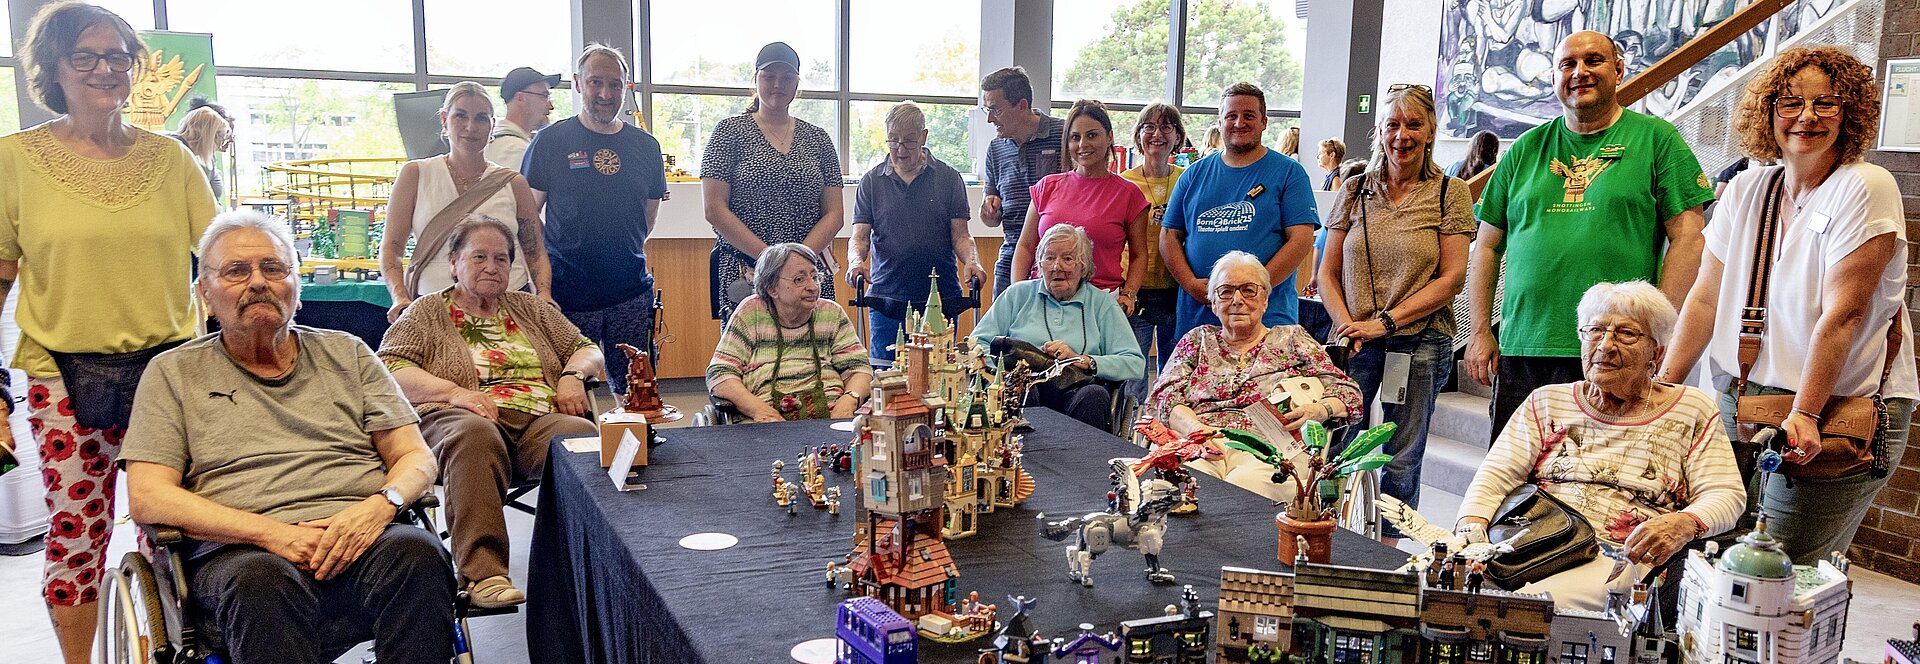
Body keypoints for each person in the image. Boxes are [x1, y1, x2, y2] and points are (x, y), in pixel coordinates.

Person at [123, 211, 455, 664]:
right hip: (241, 552)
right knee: (261, 581)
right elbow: (148, 496)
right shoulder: (172, 373)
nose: (258, 282)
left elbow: (415, 457)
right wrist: (271, 535)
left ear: (297, 290)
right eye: (236, 271)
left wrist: (379, 507)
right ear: (205, 295)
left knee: (418, 554)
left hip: (360, 534)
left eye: (273, 268)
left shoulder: (349, 353)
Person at [3, 5, 216, 660]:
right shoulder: (13, 161)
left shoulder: (172, 159)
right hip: (63, 376)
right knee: (77, 541)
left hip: (170, 375)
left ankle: (186, 648)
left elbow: (219, 260)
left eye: (118, 56)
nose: (105, 69)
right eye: (85, 56)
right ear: (53, 67)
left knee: (178, 532)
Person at [1659, 47, 1914, 564]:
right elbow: (1705, 297)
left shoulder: (1866, 186)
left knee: (1776, 568)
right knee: (1711, 555)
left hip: (1835, 408)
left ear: (1851, 112)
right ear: (1767, 111)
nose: (1807, 117)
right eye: (1791, 102)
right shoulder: (1747, 188)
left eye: (1826, 103)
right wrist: (1664, 390)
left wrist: (1805, 411)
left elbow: (1844, 315)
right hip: (1741, 395)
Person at [1465, 31, 1714, 442]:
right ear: (1554, 78)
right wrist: (1479, 331)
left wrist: (1662, 330)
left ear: (1619, 70)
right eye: (1568, 64)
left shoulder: (1656, 140)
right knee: (1515, 475)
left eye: (1593, 60)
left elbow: (1689, 236)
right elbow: (1487, 246)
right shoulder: (1525, 149)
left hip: (1617, 349)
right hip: (1526, 346)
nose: (1580, 72)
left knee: (1608, 474)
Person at [1458, 281, 1744, 611]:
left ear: (1656, 353)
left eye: (1626, 334)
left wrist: (1683, 523)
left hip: (1618, 553)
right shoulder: (1547, 401)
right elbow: (1495, 476)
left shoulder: (1691, 409)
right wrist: (1471, 531)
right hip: (1533, 540)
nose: (1606, 345)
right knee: (1441, 583)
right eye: (1595, 331)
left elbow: (1726, 494)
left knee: (1526, 608)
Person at [379, 217, 603, 606]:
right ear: (454, 263)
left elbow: (586, 347)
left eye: (501, 259)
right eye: (479, 257)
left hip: (536, 421)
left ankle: (588, 566)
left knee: (579, 437)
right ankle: (483, 575)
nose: (491, 267)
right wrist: (454, 392)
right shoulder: (425, 311)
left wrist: (572, 376)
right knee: (475, 435)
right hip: (457, 418)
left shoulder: (531, 308)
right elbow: (389, 368)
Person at [1317, 84, 1473, 532]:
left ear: (1430, 132)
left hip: (1420, 342)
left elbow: (1451, 280)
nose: (1402, 135)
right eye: (1392, 125)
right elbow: (1327, 273)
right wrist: (1348, 327)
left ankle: (1388, 552)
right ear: (1379, 132)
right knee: (1335, 446)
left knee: (1402, 457)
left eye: (1413, 125)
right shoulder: (1354, 190)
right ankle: (1325, 536)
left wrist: (1382, 324)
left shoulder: (1450, 192)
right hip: (1354, 342)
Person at [1146, 251, 1362, 503]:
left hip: (1271, 446)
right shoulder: (1197, 340)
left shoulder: (1292, 338)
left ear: (1265, 300)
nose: (1237, 300)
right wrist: (1195, 429)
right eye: (1225, 291)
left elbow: (1348, 392)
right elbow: (1163, 397)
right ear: (1213, 303)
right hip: (1200, 439)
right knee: (1186, 482)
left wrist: (1319, 410)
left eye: (1249, 290)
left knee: (1245, 491)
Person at [523, 44, 668, 394]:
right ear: (578, 83)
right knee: (569, 393)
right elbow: (527, 217)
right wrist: (544, 279)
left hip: (630, 292)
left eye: (615, 84)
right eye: (595, 82)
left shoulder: (646, 146)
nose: (605, 93)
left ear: (626, 88)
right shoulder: (550, 141)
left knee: (636, 393)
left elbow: (647, 220)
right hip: (567, 294)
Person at [1160, 82, 1320, 340]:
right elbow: (1169, 236)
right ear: (1220, 122)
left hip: (1268, 319)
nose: (1239, 123)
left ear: (1264, 122)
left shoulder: (1289, 173)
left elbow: (1300, 240)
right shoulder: (1193, 175)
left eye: (1249, 116)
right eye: (1231, 116)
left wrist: (1253, 289)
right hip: (1199, 318)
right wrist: (1191, 284)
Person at [381, 81, 551, 323]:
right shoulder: (415, 175)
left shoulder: (514, 184)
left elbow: (534, 252)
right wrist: (399, 296)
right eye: (460, 116)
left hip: (507, 309)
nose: (470, 127)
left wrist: (544, 294)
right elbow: (392, 247)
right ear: (444, 119)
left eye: (481, 118)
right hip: (434, 310)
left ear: (492, 125)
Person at [704, 41, 844, 321]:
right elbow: (714, 209)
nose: (778, 84)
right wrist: (772, 262)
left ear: (797, 83)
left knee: (814, 347)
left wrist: (797, 262)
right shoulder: (728, 132)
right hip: (747, 271)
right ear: (755, 78)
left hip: (807, 276)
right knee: (750, 347)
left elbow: (835, 214)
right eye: (769, 76)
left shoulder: (818, 138)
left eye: (787, 77)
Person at [847, 101, 984, 363]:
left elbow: (961, 236)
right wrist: (855, 262)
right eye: (893, 140)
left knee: (939, 372)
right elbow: (860, 237)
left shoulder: (949, 178)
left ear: (923, 137)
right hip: (886, 299)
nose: (900, 149)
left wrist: (973, 261)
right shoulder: (871, 181)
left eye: (909, 141)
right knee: (886, 374)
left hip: (941, 297)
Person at [972, 225, 1144, 431]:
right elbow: (977, 345)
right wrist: (1005, 371)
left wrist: (1083, 360)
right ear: (1039, 263)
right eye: (1049, 258)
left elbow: (1134, 363)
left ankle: (1085, 453)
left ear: (1083, 266)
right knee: (1018, 391)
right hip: (1025, 387)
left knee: (1094, 396)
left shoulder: (1102, 304)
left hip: (1077, 390)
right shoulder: (1016, 295)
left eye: (1068, 259)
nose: (1056, 266)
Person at [709, 243, 873, 422]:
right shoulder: (751, 312)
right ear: (772, 288)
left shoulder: (831, 313)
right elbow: (720, 373)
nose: (813, 287)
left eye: (815, 277)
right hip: (765, 423)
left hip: (830, 418)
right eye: (799, 279)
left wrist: (849, 400)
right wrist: (758, 410)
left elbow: (859, 369)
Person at [1009, 99, 1150, 305]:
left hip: (1100, 303)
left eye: (1092, 135)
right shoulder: (1046, 187)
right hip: (1043, 298)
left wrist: (1128, 294)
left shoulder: (1129, 194)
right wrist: (1017, 292)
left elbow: (1139, 254)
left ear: (1109, 137)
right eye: (1075, 137)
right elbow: (1025, 246)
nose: (1083, 144)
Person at [1119, 103, 1189, 398]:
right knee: (1133, 373)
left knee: (1173, 371)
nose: (1157, 134)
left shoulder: (1187, 178)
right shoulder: (1124, 181)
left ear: (1178, 136)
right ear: (1138, 135)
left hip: (1177, 288)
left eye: (1166, 127)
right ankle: (1131, 424)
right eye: (1149, 127)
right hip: (1135, 289)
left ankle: (1166, 423)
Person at [978, 66, 1066, 295]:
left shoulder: (1064, 135)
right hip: (1011, 255)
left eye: (996, 110)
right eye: (987, 110)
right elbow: (991, 216)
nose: (989, 119)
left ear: (1022, 105)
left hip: (1058, 258)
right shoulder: (995, 149)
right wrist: (989, 212)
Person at [485, 66, 560, 171]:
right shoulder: (516, 150)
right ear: (520, 98)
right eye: (544, 96)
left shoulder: (495, 141)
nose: (551, 106)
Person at [172, 105, 230, 209]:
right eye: (220, 139)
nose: (219, 146)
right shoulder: (176, 151)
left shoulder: (200, 155)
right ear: (210, 136)